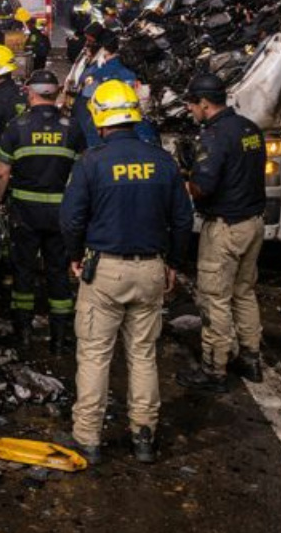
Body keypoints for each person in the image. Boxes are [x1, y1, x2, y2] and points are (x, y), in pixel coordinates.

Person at [60, 79, 194, 465]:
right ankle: (144, 436)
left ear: (101, 118)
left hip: (105, 271)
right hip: (151, 269)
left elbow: (71, 219)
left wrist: (74, 256)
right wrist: (173, 264)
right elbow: (182, 220)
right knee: (143, 355)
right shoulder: (163, 161)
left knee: (95, 355)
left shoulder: (91, 162)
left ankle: (88, 438)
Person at [175, 73, 267, 393]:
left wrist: (184, 175)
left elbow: (202, 188)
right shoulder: (249, 129)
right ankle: (251, 358)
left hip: (225, 228)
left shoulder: (214, 137)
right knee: (243, 291)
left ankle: (214, 369)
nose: (190, 110)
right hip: (254, 223)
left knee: (214, 297)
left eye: (191, 104)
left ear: (204, 102)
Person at [0, 70, 81, 351]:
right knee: (57, 271)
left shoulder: (17, 127)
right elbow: (80, 175)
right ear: (55, 93)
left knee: (23, 271)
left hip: (25, 213)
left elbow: (2, 174)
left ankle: (23, 335)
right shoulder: (73, 127)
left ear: (31, 93)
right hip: (60, 214)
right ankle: (59, 338)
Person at [68, 26, 158, 147]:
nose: (87, 45)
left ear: (102, 49)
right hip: (135, 133)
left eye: (90, 42)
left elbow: (83, 109)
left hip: (103, 135)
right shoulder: (133, 71)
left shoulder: (95, 73)